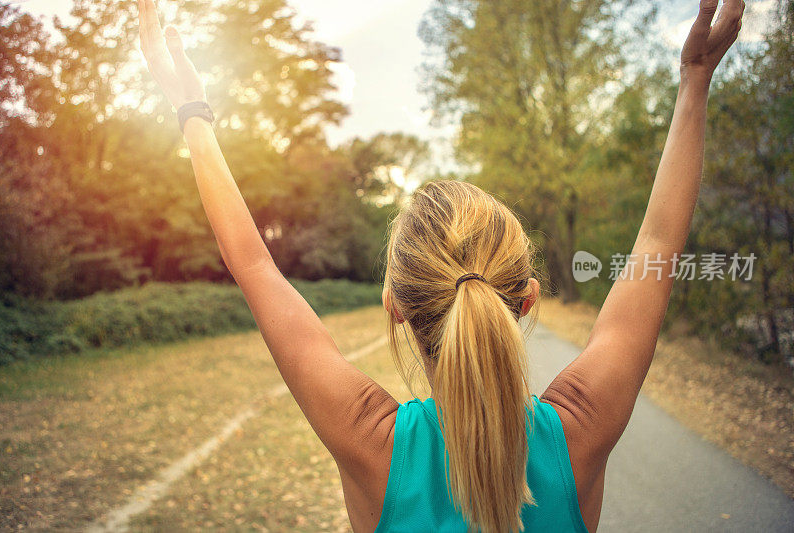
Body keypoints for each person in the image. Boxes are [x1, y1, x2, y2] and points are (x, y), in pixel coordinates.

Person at [136, 0, 745, 530]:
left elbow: (253, 264)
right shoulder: (577, 433)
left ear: (395, 309)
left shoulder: (373, 445)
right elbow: (658, 248)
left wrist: (190, 108)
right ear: (527, 300)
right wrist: (694, 82)